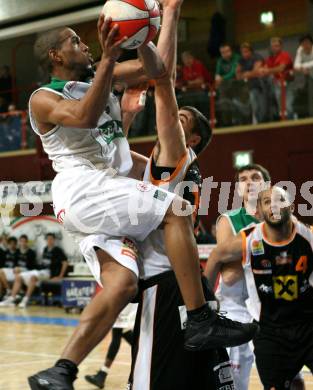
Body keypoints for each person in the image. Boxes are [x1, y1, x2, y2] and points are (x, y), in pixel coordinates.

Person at [27, 15, 255, 390]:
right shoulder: (44, 96)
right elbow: (83, 117)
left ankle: (61, 370)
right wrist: (111, 58)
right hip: (83, 189)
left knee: (122, 284)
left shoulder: (107, 85)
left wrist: (147, 32)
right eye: (74, 42)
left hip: (100, 194)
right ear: (55, 54)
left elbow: (159, 71)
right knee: (174, 209)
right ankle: (198, 318)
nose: (85, 45)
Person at [127, 1, 235, 388]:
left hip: (165, 283)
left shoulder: (176, 153)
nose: (170, 116)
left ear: (190, 138)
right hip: (189, 289)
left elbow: (163, 80)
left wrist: (169, 12)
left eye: (180, 118)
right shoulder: (162, 164)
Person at [205, 186, 313, 390]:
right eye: (266, 202)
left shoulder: (308, 237)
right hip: (270, 333)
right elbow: (216, 255)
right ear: (259, 212)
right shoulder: (248, 239)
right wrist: (205, 301)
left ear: (290, 206)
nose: (273, 205)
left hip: (308, 326)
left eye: (279, 200)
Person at [214, 163, 270, 390]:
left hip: (270, 310)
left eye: (255, 177)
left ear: (267, 186)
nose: (248, 182)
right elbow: (229, 274)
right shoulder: (228, 219)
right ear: (238, 190)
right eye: (243, 179)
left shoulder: (281, 220)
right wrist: (266, 245)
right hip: (235, 309)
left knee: (288, 378)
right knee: (235, 385)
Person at [0, 233, 67, 308]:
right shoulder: (45, 249)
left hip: (48, 273)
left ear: (54, 240)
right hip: (40, 271)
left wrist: (60, 276)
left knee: (33, 277)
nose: (49, 240)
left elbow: (65, 262)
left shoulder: (58, 250)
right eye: (48, 239)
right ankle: (12, 298)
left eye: (51, 239)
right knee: (18, 277)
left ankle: (25, 300)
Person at [84, 302, 136, 389]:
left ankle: (102, 374)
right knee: (123, 331)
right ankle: (151, 356)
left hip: (126, 303)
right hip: (128, 303)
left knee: (117, 333)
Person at [261, 37, 294, 119]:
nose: (275, 48)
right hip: (277, 84)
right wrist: (265, 70)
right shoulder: (270, 59)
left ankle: (292, 125)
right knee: (281, 108)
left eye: (277, 46)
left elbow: (281, 68)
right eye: (273, 46)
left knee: (288, 106)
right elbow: (263, 70)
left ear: (281, 46)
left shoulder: (285, 55)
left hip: (288, 84)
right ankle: (284, 125)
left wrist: (268, 70)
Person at [236, 42, 268, 123]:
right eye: (243, 52)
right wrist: (249, 74)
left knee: (263, 107)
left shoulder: (257, 57)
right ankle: (256, 123)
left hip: (262, 85)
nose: (245, 54)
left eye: (246, 51)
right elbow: (237, 75)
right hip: (250, 87)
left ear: (251, 51)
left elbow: (257, 71)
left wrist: (246, 74)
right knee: (255, 107)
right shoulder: (241, 60)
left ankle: (263, 123)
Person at [294, 34, 313, 117]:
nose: (305, 45)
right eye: (303, 43)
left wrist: (303, 67)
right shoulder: (300, 50)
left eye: (307, 43)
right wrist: (302, 68)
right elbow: (296, 65)